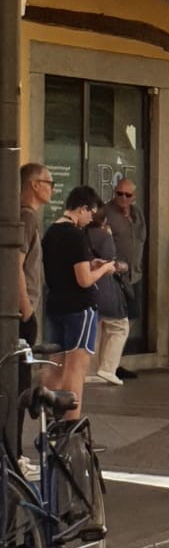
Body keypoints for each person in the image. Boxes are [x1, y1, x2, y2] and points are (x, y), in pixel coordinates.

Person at [41, 186, 118, 421]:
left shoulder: (51, 232)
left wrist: (90, 263)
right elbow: (83, 280)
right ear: (82, 208)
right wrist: (105, 268)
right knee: (76, 367)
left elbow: (64, 267)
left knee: (54, 363)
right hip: (79, 307)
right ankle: (70, 424)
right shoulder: (75, 235)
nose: (90, 219)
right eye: (91, 214)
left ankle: (50, 421)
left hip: (55, 304)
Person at [16, 163, 50, 471]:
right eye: (48, 181)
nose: (52, 187)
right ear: (34, 185)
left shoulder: (26, 217)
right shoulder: (26, 217)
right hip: (20, 313)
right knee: (19, 388)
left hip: (21, 310)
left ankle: (13, 453)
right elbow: (17, 265)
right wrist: (27, 311)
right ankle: (14, 455)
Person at [103, 177, 145, 380]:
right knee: (115, 321)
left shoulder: (137, 214)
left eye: (127, 195)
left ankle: (118, 361)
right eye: (119, 193)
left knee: (132, 318)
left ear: (133, 197)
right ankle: (108, 364)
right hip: (115, 276)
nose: (122, 198)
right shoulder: (106, 213)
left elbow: (141, 239)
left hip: (134, 275)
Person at [85, 205, 132, 385]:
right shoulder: (105, 237)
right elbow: (111, 264)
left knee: (95, 329)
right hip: (107, 290)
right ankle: (107, 368)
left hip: (88, 290)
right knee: (119, 327)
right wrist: (122, 267)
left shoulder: (80, 235)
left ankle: (90, 369)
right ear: (104, 221)